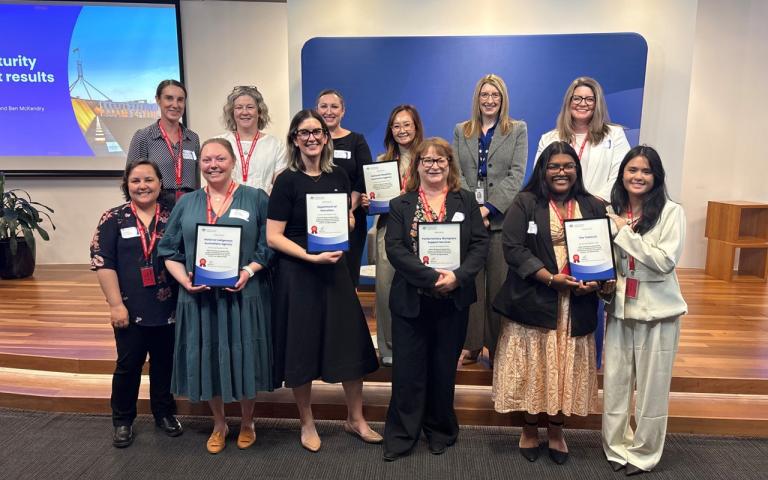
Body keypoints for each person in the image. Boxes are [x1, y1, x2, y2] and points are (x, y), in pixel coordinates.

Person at [267, 109, 380, 453]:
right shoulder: (286, 180)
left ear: (327, 137)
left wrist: (344, 222)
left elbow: (346, 219)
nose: (312, 137)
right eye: (304, 133)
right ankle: (307, 422)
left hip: (333, 271)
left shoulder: (340, 177)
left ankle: (356, 418)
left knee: (348, 342)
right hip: (298, 273)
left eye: (317, 132)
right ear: (295, 139)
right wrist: (308, 256)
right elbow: (273, 236)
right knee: (301, 347)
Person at [491, 141, 607, 464]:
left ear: (576, 170)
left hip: (576, 304)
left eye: (568, 166)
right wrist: (548, 278)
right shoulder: (526, 202)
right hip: (535, 300)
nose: (561, 172)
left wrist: (595, 281)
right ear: (543, 170)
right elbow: (513, 249)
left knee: (562, 369)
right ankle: (529, 429)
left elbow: (602, 252)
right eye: (554, 166)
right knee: (535, 367)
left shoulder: (592, 205)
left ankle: (556, 431)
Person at [158, 138, 274, 454]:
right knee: (208, 355)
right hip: (199, 298)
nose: (213, 165)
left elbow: (269, 245)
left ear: (232, 160)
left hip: (243, 294)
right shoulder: (187, 202)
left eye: (220, 158)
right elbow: (167, 249)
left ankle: (248, 421)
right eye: (207, 159)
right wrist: (185, 280)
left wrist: (248, 271)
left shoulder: (255, 198)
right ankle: (219, 423)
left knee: (244, 354)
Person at [383, 137, 489, 461]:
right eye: (426, 160)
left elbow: (480, 246)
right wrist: (432, 278)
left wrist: (456, 277)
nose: (433, 165)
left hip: (452, 301)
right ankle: (402, 435)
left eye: (439, 160)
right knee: (408, 372)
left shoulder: (465, 201)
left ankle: (440, 430)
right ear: (417, 166)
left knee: (443, 370)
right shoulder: (401, 204)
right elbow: (395, 249)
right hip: (411, 301)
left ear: (449, 165)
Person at [601, 146, 687, 475]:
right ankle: (616, 447)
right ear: (622, 174)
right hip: (620, 308)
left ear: (656, 177)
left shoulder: (671, 212)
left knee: (652, 389)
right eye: (632, 170)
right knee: (616, 383)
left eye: (646, 171)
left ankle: (644, 453)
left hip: (659, 311)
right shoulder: (610, 211)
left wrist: (624, 231)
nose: (638, 176)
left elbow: (664, 261)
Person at [90, 158, 181, 448]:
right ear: (127, 185)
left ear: (160, 183)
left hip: (169, 307)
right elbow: (103, 263)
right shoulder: (112, 219)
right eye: (136, 181)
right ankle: (123, 420)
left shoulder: (173, 216)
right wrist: (115, 305)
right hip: (130, 307)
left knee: (164, 363)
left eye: (149, 180)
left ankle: (164, 412)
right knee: (129, 365)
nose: (143, 186)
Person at [453, 73, 528, 366]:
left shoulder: (517, 129)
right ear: (477, 99)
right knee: (470, 284)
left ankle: (498, 347)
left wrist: (488, 210)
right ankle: (471, 344)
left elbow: (516, 175)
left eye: (495, 95)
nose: (489, 100)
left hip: (501, 222)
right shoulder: (463, 130)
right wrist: (475, 211)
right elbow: (456, 173)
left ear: (503, 99)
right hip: (471, 221)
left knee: (498, 285)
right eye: (484, 95)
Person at [360, 105, 425, 366]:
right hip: (389, 229)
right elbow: (375, 203)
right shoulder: (381, 161)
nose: (402, 130)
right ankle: (388, 348)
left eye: (407, 124)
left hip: (420, 231)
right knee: (386, 289)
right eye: (396, 126)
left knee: (419, 289)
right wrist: (369, 201)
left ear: (416, 127)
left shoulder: (427, 157)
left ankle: (418, 344)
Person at [535, 76, 630, 201]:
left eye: (590, 99)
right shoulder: (548, 139)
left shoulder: (615, 135)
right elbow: (541, 177)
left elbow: (620, 173)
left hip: (600, 209)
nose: (583, 103)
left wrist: (594, 204)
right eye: (577, 98)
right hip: (559, 209)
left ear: (597, 104)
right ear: (568, 102)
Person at [316, 89, 373, 286]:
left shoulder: (356, 141)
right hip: (317, 220)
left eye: (334, 106)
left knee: (347, 277)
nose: (328, 111)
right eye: (324, 106)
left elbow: (363, 178)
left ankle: (348, 317)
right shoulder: (310, 141)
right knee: (319, 276)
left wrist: (347, 211)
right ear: (317, 110)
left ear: (343, 111)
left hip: (351, 219)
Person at [127, 79, 201, 207]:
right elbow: (130, 179)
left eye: (180, 100)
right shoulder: (143, 137)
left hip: (189, 206)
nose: (175, 104)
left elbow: (197, 180)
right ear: (158, 100)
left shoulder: (193, 138)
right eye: (169, 98)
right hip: (155, 207)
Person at [216, 85, 287, 194]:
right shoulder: (219, 143)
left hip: (263, 207)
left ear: (259, 111)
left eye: (250, 107)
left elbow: (281, 186)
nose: (244, 112)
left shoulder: (276, 145)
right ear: (232, 112)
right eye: (239, 107)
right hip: (227, 206)